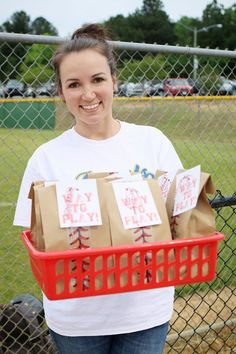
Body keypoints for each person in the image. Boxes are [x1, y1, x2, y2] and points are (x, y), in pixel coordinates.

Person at [14, 23, 183, 354]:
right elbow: (36, 242)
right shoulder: (45, 158)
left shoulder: (152, 141)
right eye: (74, 84)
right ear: (61, 92)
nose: (88, 94)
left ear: (114, 81)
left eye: (98, 80)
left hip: (145, 311)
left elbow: (180, 215)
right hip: (77, 319)